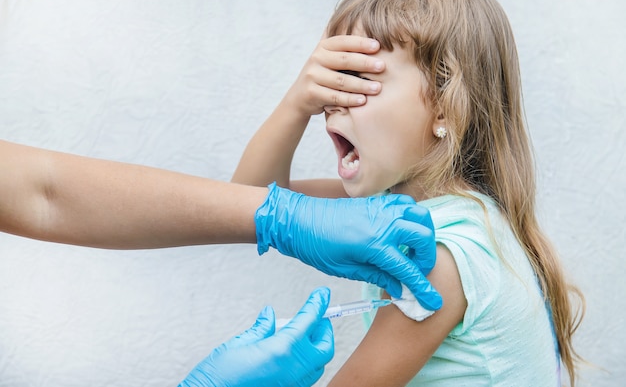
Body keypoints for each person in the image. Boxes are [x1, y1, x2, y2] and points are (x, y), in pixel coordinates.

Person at [232, 0, 585, 386]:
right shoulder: (416, 207)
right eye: (332, 78)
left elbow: (251, 206)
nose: (331, 99)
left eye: (358, 79)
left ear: (445, 107)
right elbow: (248, 207)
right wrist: (296, 103)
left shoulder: (439, 253)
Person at [0, 131, 441, 385]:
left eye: (363, 80)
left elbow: (45, 193)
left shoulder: (447, 248)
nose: (334, 109)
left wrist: (280, 215)